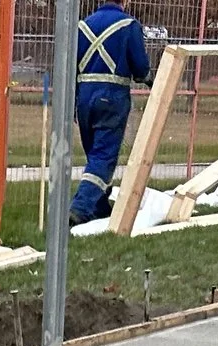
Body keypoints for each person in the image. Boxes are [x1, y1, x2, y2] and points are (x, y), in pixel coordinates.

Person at [70, 2, 155, 225]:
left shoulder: (82, 27)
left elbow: (70, 67)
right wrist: (150, 80)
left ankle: (99, 206)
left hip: (84, 98)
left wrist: (72, 104)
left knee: (94, 153)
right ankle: (80, 208)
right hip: (112, 97)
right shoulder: (129, 25)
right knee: (103, 156)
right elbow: (140, 68)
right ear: (124, 1)